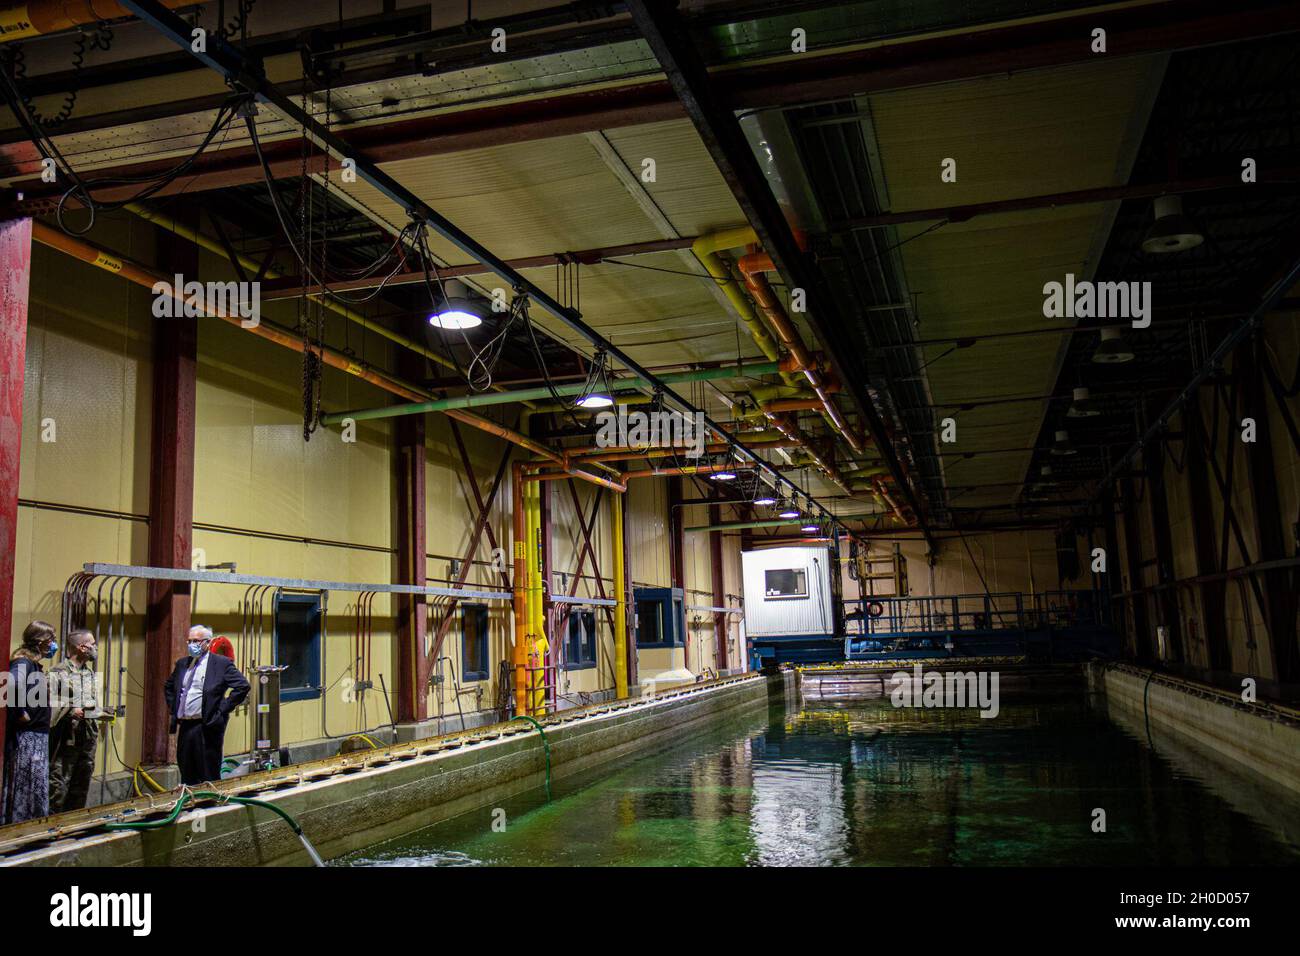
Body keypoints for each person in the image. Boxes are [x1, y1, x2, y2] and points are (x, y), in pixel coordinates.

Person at [163, 625, 249, 785]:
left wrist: (222, 710)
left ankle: (209, 803)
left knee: (207, 770)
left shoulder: (221, 664)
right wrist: (174, 707)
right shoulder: (183, 664)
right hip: (186, 725)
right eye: (189, 641)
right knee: (186, 767)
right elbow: (169, 686)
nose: (191, 645)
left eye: (195, 641)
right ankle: (190, 802)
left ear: (207, 643)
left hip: (207, 725)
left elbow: (242, 686)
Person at [2, 621, 57, 824]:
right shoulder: (23, 663)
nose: (54, 645)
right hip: (27, 738)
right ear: (41, 641)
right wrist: (19, 713)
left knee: (36, 783)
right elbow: (10, 685)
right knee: (26, 784)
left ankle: (34, 824)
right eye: (52, 639)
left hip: (37, 736)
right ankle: (21, 825)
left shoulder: (33, 665)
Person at [48, 629, 101, 813]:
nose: (95, 648)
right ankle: (54, 824)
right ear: (81, 647)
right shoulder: (59, 672)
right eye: (92, 644)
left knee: (82, 781)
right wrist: (71, 710)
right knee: (60, 782)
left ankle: (74, 822)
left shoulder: (89, 673)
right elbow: (50, 704)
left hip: (87, 737)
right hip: (66, 739)